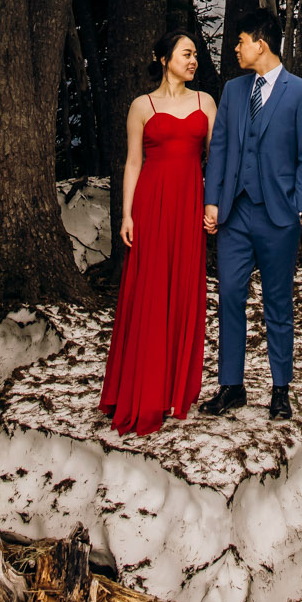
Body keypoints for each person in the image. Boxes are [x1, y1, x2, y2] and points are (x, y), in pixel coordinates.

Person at [201, 8, 302, 422]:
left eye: (240, 41)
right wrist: (212, 200)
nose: (235, 48)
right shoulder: (233, 92)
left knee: (277, 303)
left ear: (261, 44)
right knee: (230, 296)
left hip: (277, 218)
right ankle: (231, 387)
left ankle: (280, 390)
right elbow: (218, 148)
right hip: (234, 215)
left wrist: (298, 210)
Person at [98, 31, 215, 436]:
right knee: (149, 293)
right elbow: (132, 163)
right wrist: (127, 215)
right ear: (165, 59)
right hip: (151, 206)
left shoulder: (206, 103)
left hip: (188, 209)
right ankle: (141, 388)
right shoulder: (141, 106)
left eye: (196, 55)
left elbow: (215, 160)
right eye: (187, 54)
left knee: (183, 290)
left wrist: (212, 204)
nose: (193, 60)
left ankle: (174, 389)